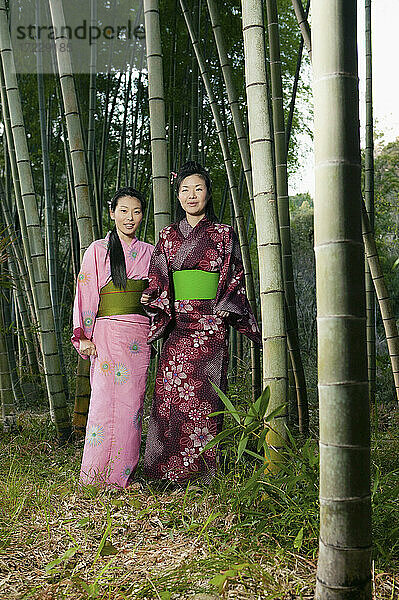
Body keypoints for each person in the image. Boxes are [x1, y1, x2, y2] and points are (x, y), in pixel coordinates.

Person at [141, 162, 261, 483]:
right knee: (168, 397)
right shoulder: (166, 236)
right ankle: (162, 471)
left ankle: (203, 475)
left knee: (205, 399)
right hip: (176, 325)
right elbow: (158, 279)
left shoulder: (224, 234)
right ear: (177, 195)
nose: (191, 196)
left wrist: (226, 305)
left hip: (209, 325)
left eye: (198, 188)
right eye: (185, 190)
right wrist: (155, 300)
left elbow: (234, 276)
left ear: (208, 192)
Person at [72, 187, 154, 488]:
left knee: (132, 406)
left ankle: (123, 475)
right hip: (106, 333)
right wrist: (83, 334)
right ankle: (94, 475)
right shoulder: (96, 249)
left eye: (136, 211)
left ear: (142, 215)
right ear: (112, 212)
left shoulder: (149, 251)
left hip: (139, 334)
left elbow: (159, 292)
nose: (129, 217)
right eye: (123, 210)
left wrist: (151, 301)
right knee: (103, 402)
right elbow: (86, 292)